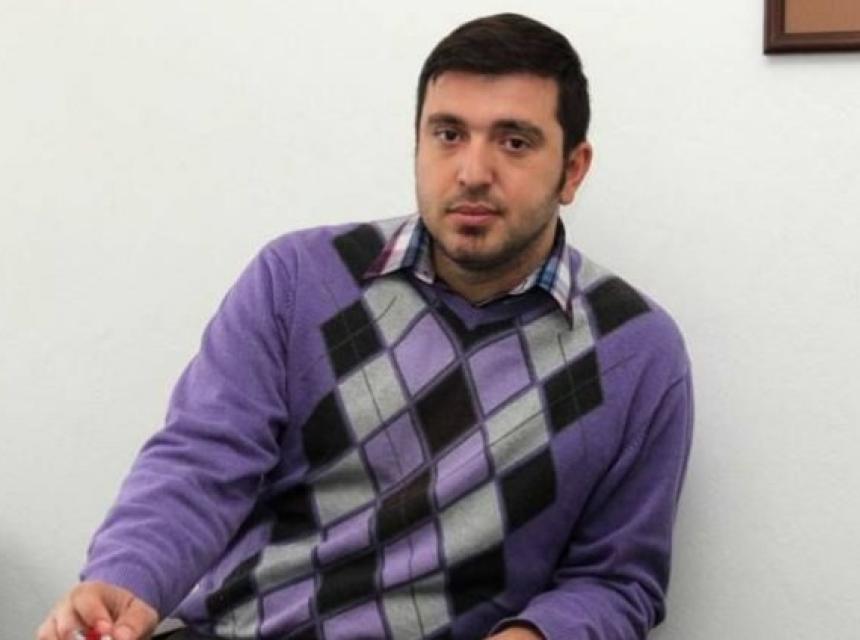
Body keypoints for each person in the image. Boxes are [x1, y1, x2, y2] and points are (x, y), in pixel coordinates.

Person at [38, 12, 693, 640]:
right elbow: (201, 462)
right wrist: (125, 580)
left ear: (572, 169)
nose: (472, 172)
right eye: (448, 134)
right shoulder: (297, 278)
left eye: (514, 142)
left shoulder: (635, 351)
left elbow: (616, 580)